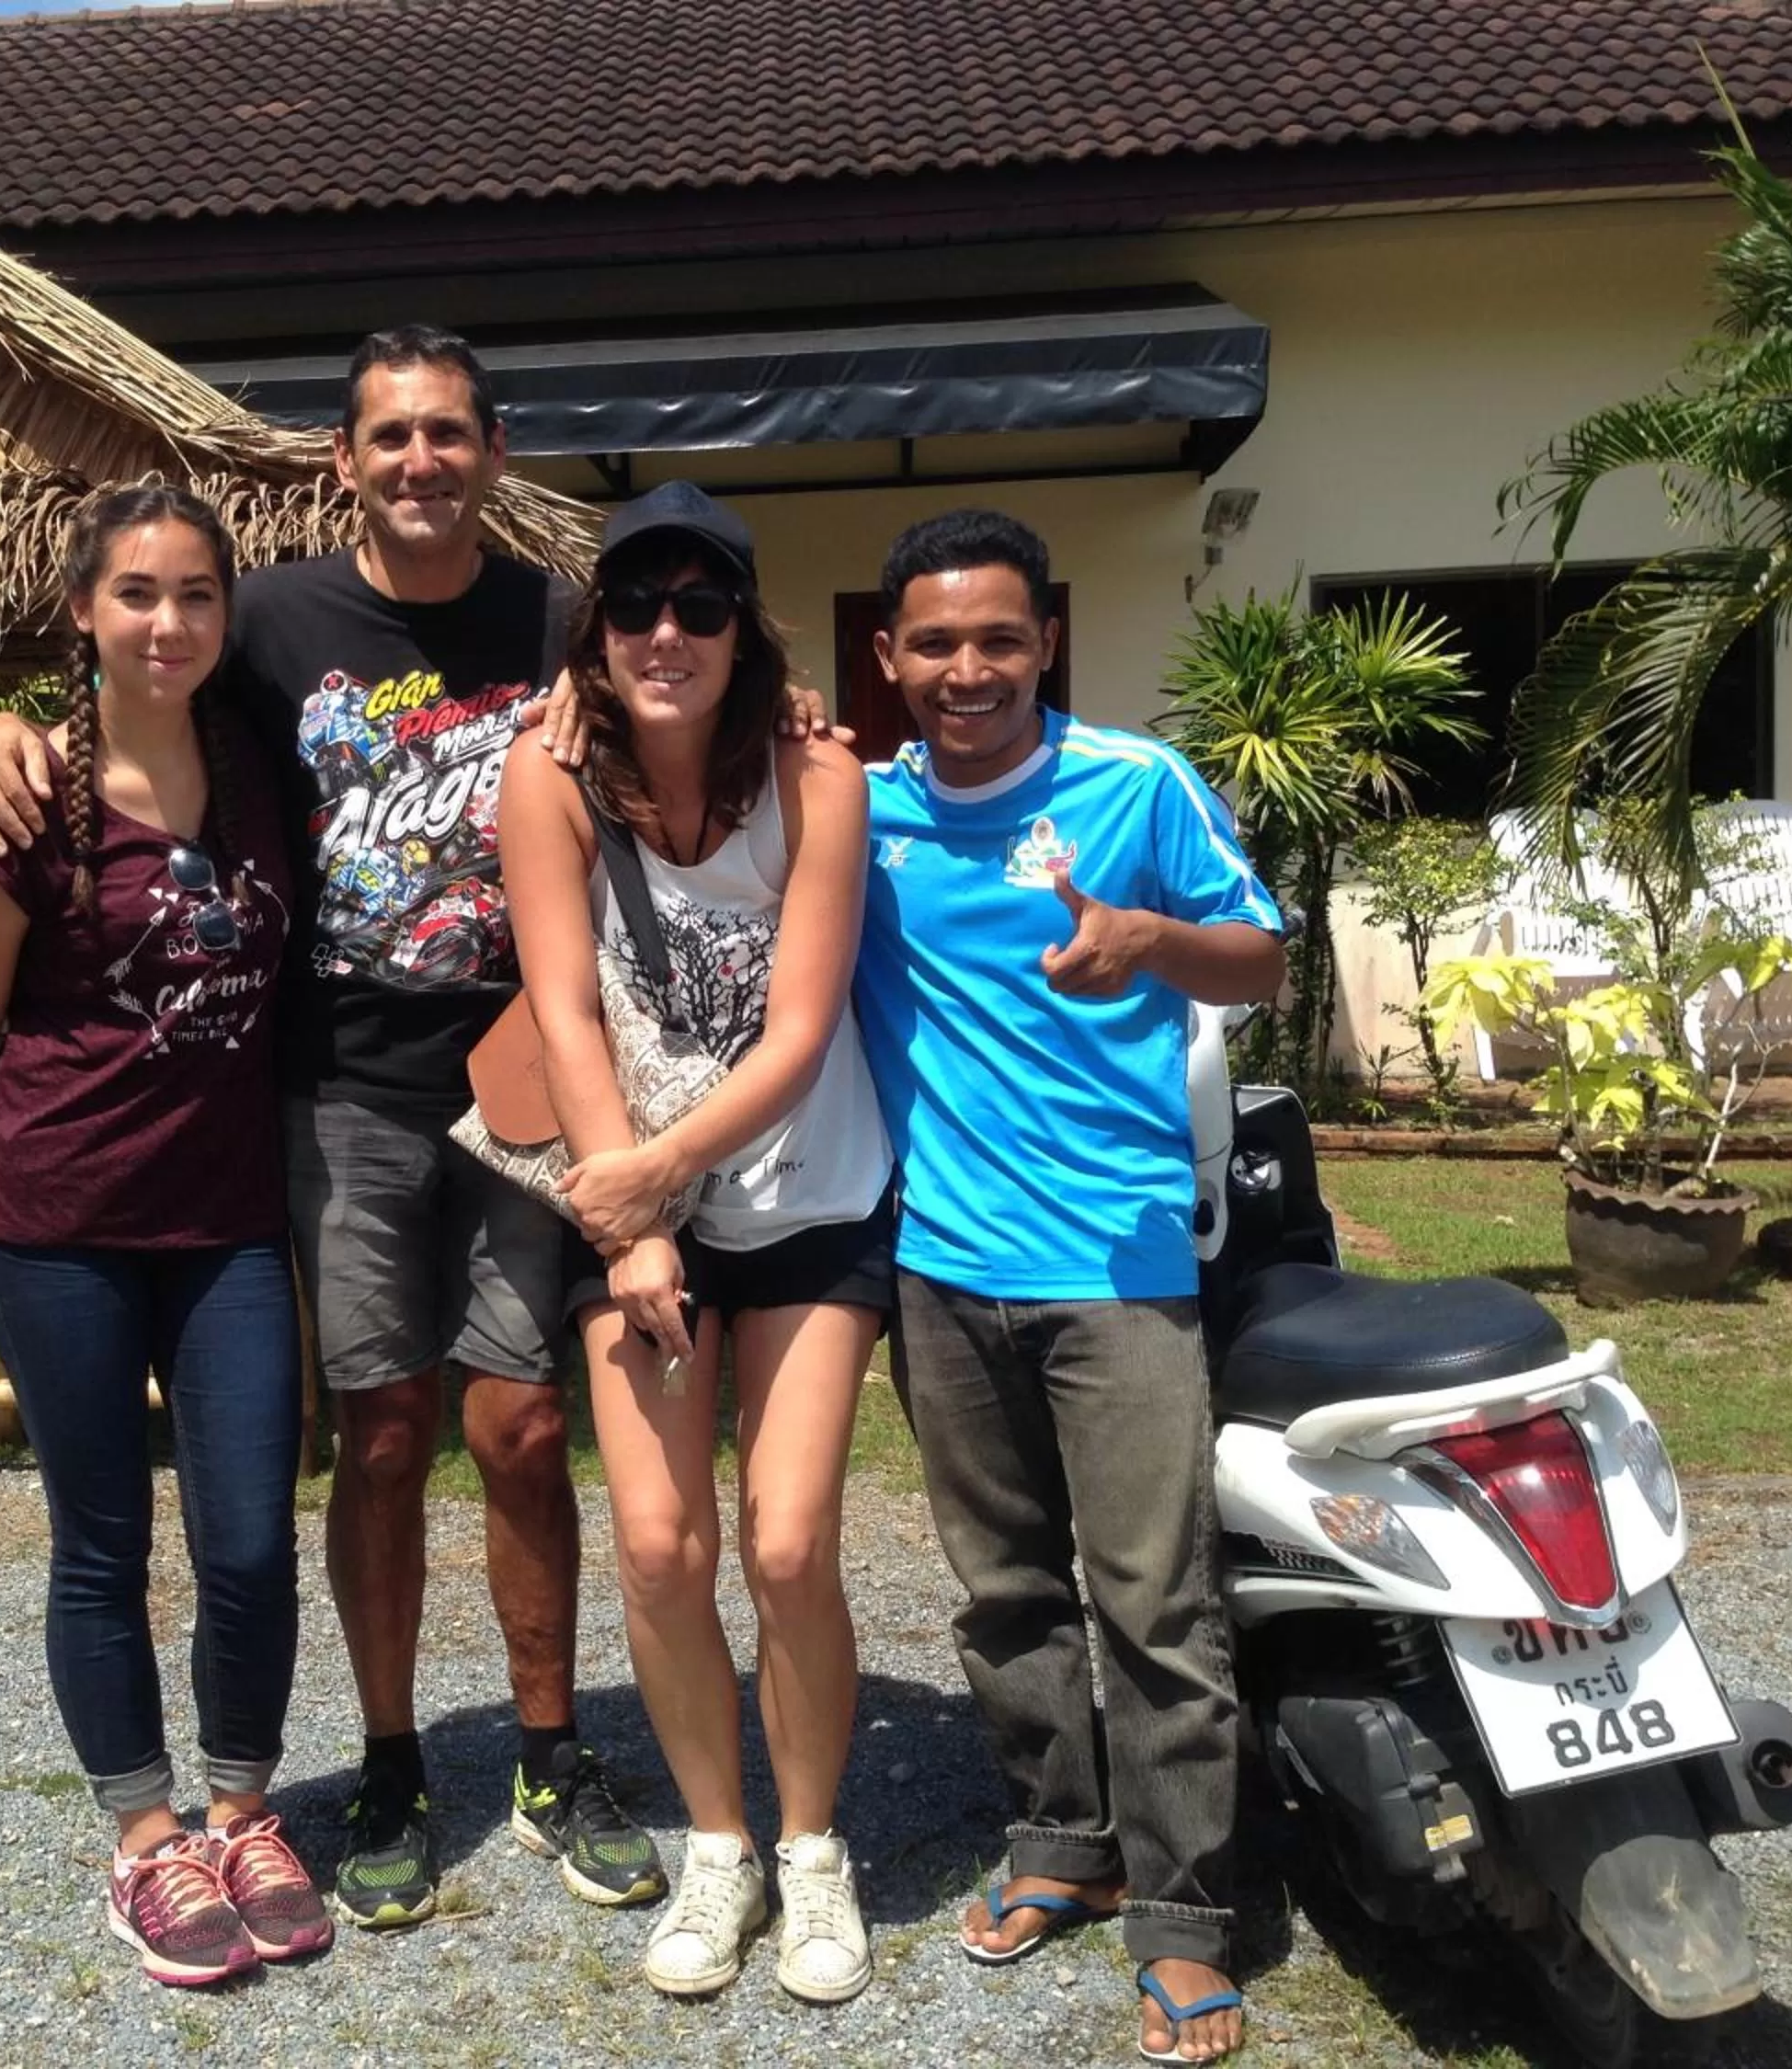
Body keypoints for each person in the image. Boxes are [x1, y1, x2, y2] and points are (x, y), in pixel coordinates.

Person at [0, 328, 666, 1928]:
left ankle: (549, 1749)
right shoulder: (267, 618)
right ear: (341, 461)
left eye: (449, 435)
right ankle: (397, 1760)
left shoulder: (556, 618)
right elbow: (133, 691)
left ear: (494, 451)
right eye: (389, 437)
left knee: (524, 1428)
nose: (421, 461)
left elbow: (693, 701)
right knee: (385, 1432)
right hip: (339, 1088)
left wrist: (799, 698)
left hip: (521, 1078)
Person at [854, 509, 1284, 2064]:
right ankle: (1062, 1835)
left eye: (999, 639)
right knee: (1005, 1587)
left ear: (1046, 642)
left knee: (1156, 1598)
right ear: (890, 656)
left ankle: (1183, 1915)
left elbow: (1263, 958)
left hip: (1121, 1263)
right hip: (939, 1265)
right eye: (935, 643)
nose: (968, 670)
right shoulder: (863, 813)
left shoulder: (1138, 785)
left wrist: (1156, 938)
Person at [0, 484, 329, 1988]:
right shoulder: (22, 806)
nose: (171, 622)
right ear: (84, 611)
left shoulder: (262, 771)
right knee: (100, 1544)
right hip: (55, 1226)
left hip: (223, 1228)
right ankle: (145, 1838)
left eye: (198, 596)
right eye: (138, 595)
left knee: (248, 1538)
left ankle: (241, 1808)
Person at [498, 484, 892, 2005]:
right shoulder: (550, 778)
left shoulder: (815, 774)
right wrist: (634, 1210)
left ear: (747, 628)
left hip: (804, 1190)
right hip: (632, 1195)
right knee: (663, 1547)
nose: (669, 632)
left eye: (704, 606)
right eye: (638, 605)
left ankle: (809, 1848)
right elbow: (563, 1005)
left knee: (787, 1540)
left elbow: (799, 1032)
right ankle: (717, 1840)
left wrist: (650, 1179)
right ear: (597, 631)